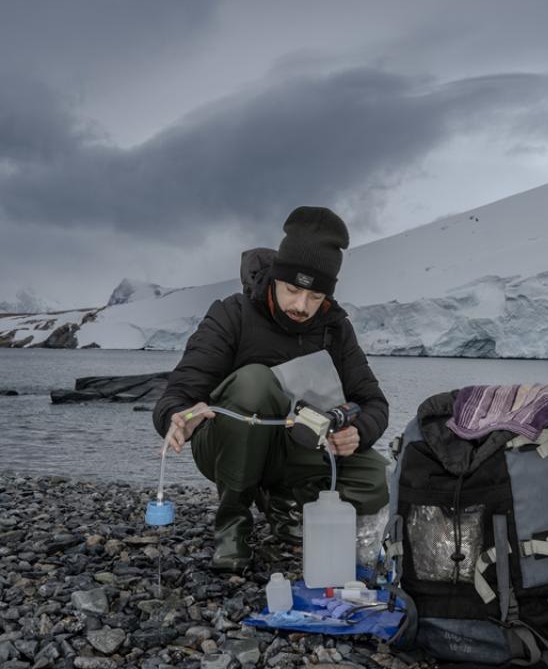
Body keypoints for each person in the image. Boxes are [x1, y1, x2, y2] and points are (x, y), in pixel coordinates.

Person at [153, 206, 390, 572]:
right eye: (293, 289)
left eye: (314, 297)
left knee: (375, 477)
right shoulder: (232, 314)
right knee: (255, 381)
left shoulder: (335, 329)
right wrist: (177, 417)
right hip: (226, 443)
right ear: (277, 277)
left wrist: (359, 432)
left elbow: (373, 401)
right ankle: (233, 524)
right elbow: (180, 390)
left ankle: (283, 502)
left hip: (296, 446)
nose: (301, 305)